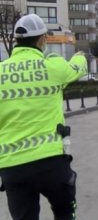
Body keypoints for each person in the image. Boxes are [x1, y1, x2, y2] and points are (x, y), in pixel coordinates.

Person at [0, 14, 87, 220]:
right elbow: (78, 68)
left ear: (16, 40)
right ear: (41, 40)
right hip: (51, 164)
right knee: (65, 211)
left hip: (13, 167)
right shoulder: (52, 67)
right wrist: (80, 55)